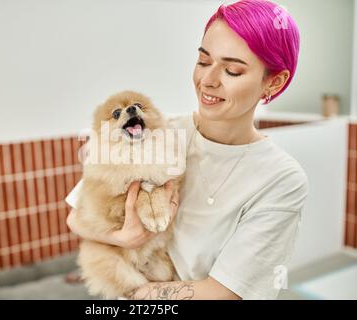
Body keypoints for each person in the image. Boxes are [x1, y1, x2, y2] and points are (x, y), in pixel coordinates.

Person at [66, 0, 309, 300]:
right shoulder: (159, 130)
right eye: (204, 62)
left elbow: (225, 294)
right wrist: (122, 238)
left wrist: (136, 295)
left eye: (232, 70)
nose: (207, 80)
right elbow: (76, 217)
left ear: (274, 82)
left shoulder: (280, 179)